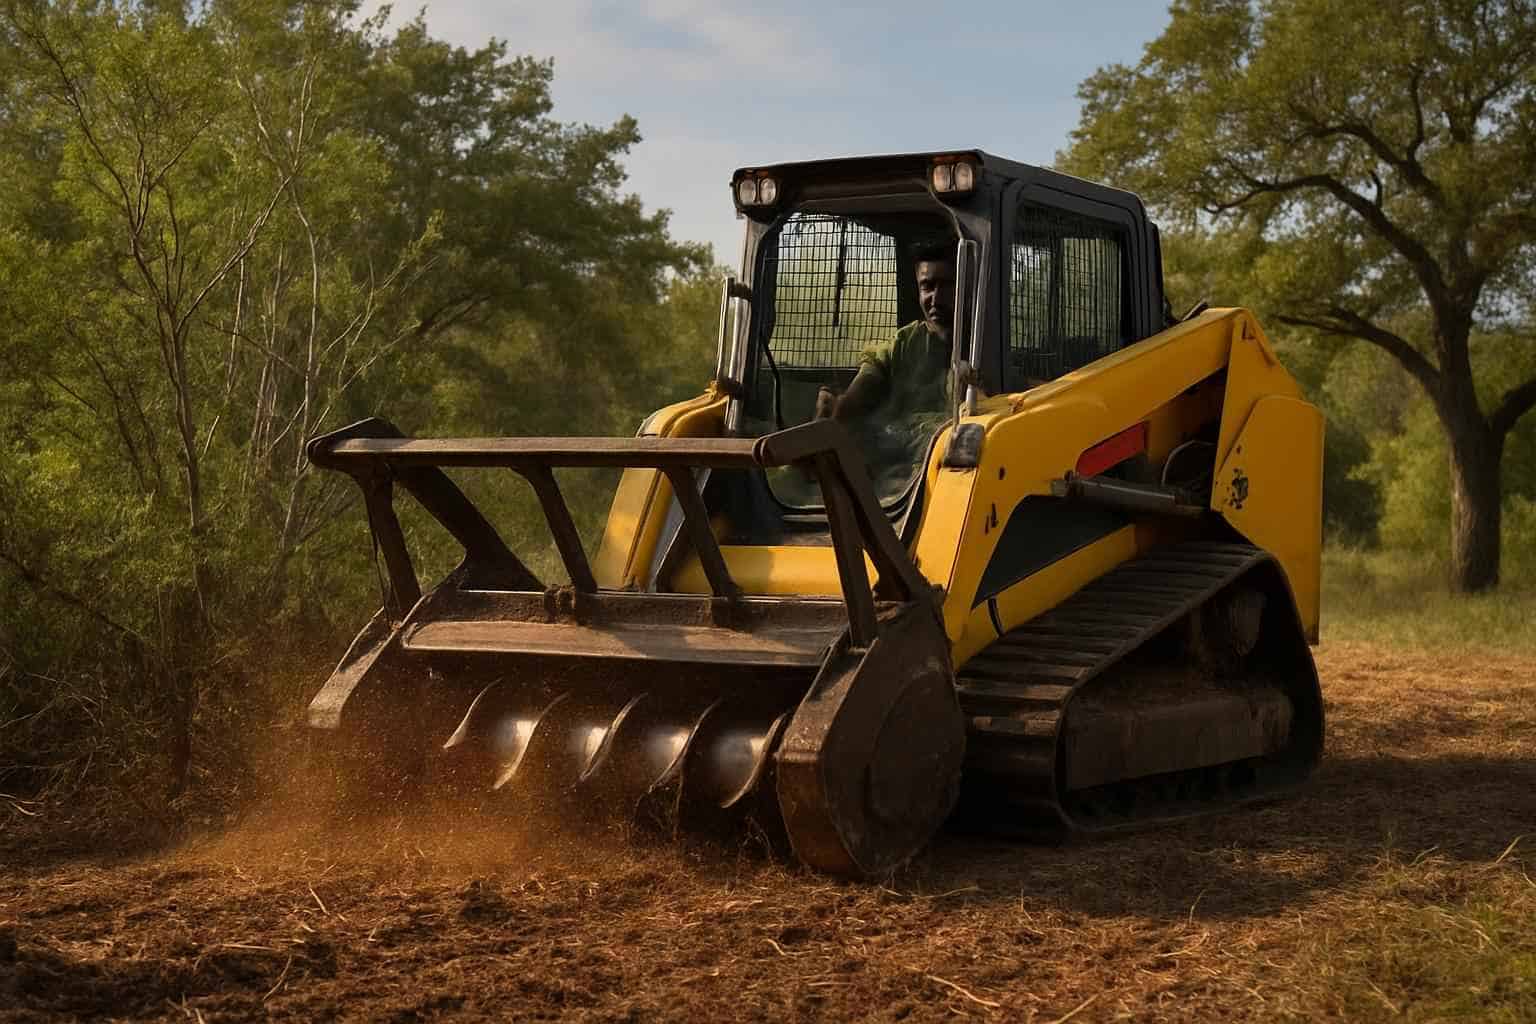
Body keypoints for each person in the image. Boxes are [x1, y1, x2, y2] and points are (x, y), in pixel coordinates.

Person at [815, 242, 956, 426]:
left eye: (946, 286)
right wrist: (836, 408)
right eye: (927, 287)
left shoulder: (983, 348)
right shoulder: (899, 347)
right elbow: (858, 395)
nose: (935, 299)